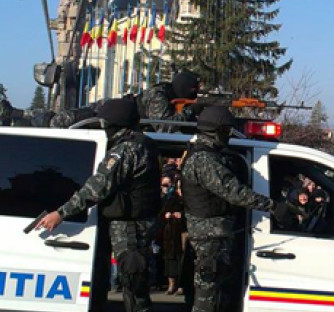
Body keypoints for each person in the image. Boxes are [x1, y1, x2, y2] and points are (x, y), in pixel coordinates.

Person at [36, 98, 160, 312]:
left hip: (129, 227)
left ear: (115, 123)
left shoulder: (125, 150)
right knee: (133, 285)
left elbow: (97, 188)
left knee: (134, 286)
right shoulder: (145, 144)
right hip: (138, 224)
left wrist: (61, 213)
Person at [180, 106, 276, 312]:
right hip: (209, 240)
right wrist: (272, 206)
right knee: (208, 301)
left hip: (216, 238)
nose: (229, 136)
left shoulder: (212, 156)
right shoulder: (204, 159)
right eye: (226, 131)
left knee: (219, 298)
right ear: (217, 131)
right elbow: (234, 191)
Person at [50, 70, 201, 131]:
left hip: (115, 115)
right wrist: (190, 111)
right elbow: (164, 126)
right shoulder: (159, 95)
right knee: (64, 122)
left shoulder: (166, 93)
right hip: (110, 114)